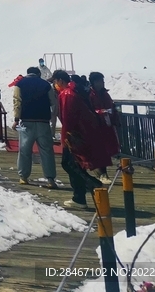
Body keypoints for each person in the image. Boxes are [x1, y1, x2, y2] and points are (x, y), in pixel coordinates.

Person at [54, 70, 105, 209]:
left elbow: (67, 118)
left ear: (60, 80)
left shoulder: (66, 94)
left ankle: (92, 184)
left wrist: (65, 137)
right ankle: (79, 198)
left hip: (74, 135)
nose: (55, 85)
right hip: (82, 133)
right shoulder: (75, 90)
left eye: (55, 82)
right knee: (74, 164)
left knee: (68, 164)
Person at [13, 66, 57, 188]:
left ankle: (23, 176)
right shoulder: (46, 85)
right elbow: (53, 103)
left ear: (27, 74)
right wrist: (51, 118)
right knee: (46, 151)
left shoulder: (20, 84)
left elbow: (17, 102)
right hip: (43, 122)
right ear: (38, 74)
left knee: (24, 150)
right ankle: (50, 179)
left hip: (26, 123)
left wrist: (16, 120)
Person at [89, 71, 120, 179]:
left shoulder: (105, 94)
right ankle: (102, 172)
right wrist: (99, 112)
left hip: (107, 125)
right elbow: (88, 110)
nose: (102, 83)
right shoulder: (90, 94)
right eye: (100, 81)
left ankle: (102, 172)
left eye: (102, 81)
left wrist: (113, 114)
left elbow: (111, 105)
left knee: (106, 150)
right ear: (94, 82)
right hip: (96, 126)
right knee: (100, 150)